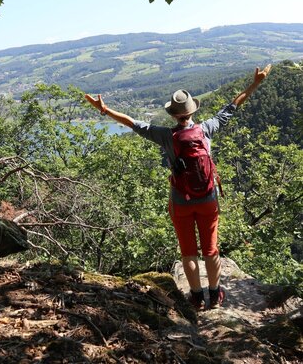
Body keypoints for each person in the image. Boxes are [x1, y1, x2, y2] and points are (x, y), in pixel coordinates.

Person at [85, 64, 272, 311]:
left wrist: (104, 109)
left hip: (181, 200)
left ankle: (196, 298)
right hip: (207, 198)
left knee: (188, 252)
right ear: (192, 111)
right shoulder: (206, 130)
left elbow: (132, 123)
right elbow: (233, 106)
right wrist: (256, 82)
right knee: (211, 249)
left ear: (174, 115)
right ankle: (215, 295)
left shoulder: (165, 135)